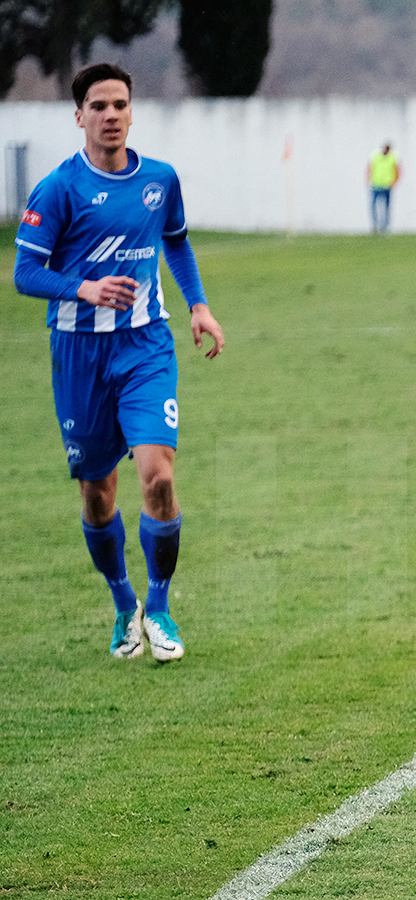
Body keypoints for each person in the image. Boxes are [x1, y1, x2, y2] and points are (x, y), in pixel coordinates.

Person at [12, 63, 227, 662]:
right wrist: (84, 289)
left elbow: (176, 241)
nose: (111, 115)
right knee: (98, 494)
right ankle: (121, 604)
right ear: (79, 116)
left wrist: (199, 305)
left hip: (145, 345)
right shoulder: (58, 189)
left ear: (133, 113)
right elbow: (24, 273)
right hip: (79, 355)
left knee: (158, 475)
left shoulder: (160, 180)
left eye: (120, 104)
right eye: (98, 106)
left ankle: (158, 608)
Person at [367, 142, 400, 233]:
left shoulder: (392, 158)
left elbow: (397, 172)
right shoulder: (376, 157)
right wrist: (369, 181)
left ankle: (385, 227)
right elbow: (370, 168)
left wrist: (393, 183)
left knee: (386, 207)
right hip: (376, 185)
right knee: (373, 206)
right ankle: (375, 225)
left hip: (386, 186)